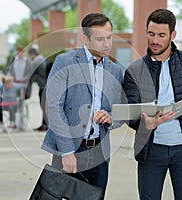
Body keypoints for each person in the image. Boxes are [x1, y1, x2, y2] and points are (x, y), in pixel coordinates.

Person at [122, 9, 182, 200]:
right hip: (150, 150)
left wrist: (176, 110)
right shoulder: (135, 70)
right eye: (151, 34)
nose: (155, 40)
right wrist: (144, 124)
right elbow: (129, 112)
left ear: (173, 35)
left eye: (162, 35)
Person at [41, 13, 123, 199]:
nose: (106, 44)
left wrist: (111, 118)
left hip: (99, 153)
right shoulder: (65, 62)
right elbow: (54, 107)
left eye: (109, 38)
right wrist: (67, 152)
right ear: (86, 39)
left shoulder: (115, 71)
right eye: (100, 39)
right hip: (69, 148)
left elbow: (120, 110)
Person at [27, 48, 48, 131]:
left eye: (29, 55)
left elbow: (30, 73)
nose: (30, 57)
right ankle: (44, 124)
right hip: (47, 85)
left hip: (43, 86)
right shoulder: (43, 58)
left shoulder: (36, 61)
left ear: (32, 54)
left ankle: (45, 125)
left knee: (43, 105)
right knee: (45, 105)